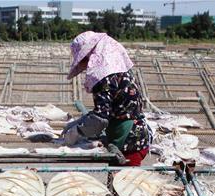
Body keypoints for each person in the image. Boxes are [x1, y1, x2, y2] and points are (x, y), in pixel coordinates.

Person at [62, 32, 151, 166]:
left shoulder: (104, 77)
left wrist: (77, 131)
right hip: (136, 135)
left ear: (89, 55)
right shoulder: (117, 69)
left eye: (83, 60)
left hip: (129, 141)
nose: (84, 65)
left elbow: (100, 119)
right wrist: (79, 122)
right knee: (116, 180)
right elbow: (109, 108)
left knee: (124, 183)